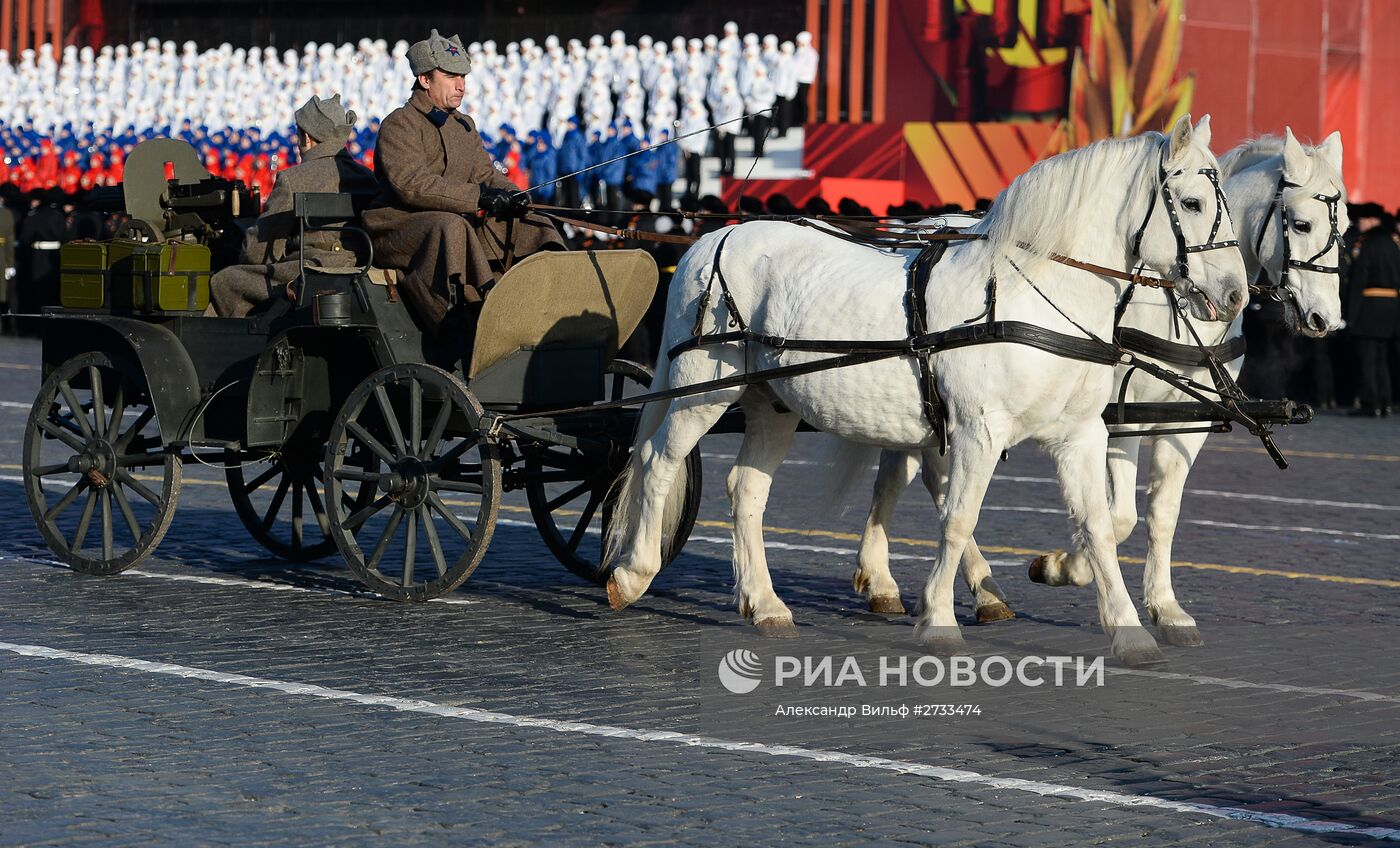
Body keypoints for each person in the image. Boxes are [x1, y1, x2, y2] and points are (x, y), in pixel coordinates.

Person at [362, 29, 563, 338]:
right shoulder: (400, 123)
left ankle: (542, 304)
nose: (461, 85)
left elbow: (485, 174)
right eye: (451, 76)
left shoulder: (463, 124)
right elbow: (410, 184)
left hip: (453, 219)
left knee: (533, 223)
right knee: (451, 226)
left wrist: (514, 195)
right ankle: (463, 316)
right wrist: (478, 198)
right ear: (425, 80)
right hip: (398, 226)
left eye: (463, 77)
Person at [209, 93, 378, 318]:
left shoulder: (293, 180)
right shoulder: (368, 177)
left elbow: (258, 254)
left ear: (306, 138)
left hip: (310, 272)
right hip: (359, 267)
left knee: (225, 280)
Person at [1344, 202, 1400, 416]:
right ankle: (1385, 401)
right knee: (1382, 359)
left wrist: (1351, 316)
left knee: (1368, 358)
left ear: (1370, 221)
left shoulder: (1367, 244)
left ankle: (1370, 402)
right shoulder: (1393, 244)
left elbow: (1359, 281)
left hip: (1369, 307)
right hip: (1392, 307)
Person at [793, 31, 819, 126]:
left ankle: (803, 120)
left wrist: (796, 73)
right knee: (797, 101)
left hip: (804, 80)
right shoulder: (797, 52)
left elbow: (808, 68)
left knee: (802, 100)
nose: (797, 43)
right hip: (796, 80)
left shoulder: (811, 53)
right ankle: (797, 120)